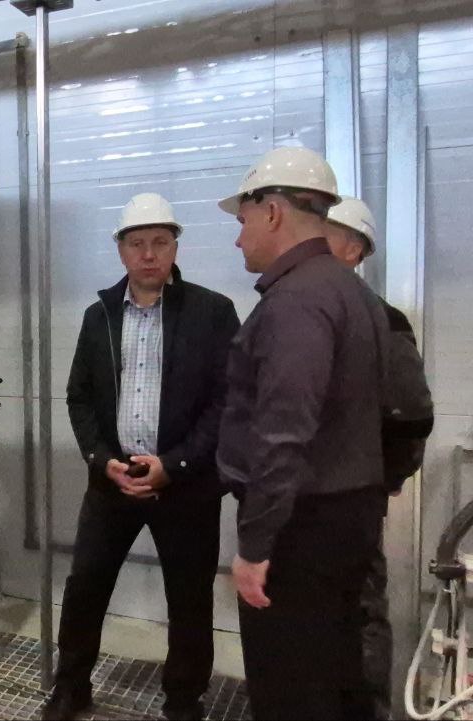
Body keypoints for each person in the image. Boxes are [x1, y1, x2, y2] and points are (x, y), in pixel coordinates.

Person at [45, 193, 240, 721]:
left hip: (185, 484)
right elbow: (79, 397)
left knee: (189, 597)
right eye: (137, 243)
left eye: (160, 242)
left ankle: (183, 699)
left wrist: (174, 465)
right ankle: (71, 686)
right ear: (121, 250)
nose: (149, 253)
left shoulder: (213, 313)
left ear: (176, 246)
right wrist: (100, 458)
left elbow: (227, 401)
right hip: (113, 480)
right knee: (85, 585)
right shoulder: (99, 316)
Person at [217, 147, 392, 720]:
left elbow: (282, 434)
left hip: (299, 532)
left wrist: (255, 548)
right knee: (335, 677)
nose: (238, 239)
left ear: (272, 212)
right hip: (345, 518)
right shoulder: (351, 292)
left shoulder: (296, 302)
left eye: (243, 220)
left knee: (290, 688)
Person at [324, 196, 434, 720]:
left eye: (326, 238)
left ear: (355, 250)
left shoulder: (382, 321)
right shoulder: (296, 314)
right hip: (298, 504)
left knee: (361, 610)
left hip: (353, 502)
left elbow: (412, 417)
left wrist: (382, 479)